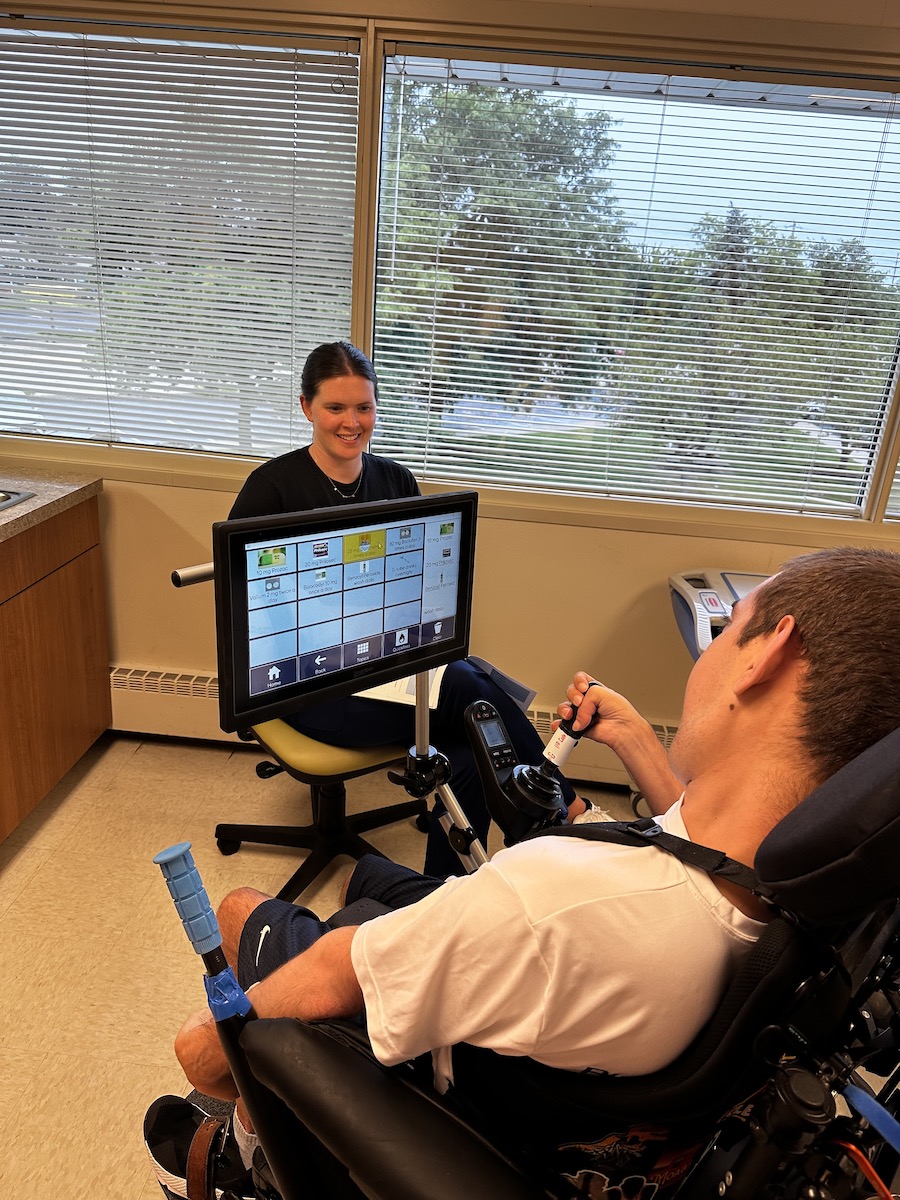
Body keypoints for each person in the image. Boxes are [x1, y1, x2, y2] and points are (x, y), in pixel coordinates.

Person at [175, 547, 900, 1182]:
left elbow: (342, 969)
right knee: (367, 881)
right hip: (579, 1035)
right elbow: (707, 851)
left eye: (729, 626)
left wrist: (210, 1060)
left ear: (767, 655)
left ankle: (244, 1146)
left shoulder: (554, 900)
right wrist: (636, 741)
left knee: (242, 908)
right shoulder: (814, 878)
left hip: (472, 1073)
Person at [228, 340, 577, 876]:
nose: (352, 422)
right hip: (313, 682)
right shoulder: (271, 489)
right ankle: (557, 809)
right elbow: (246, 609)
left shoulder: (395, 481)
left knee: (462, 750)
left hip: (388, 663)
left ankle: (445, 895)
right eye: (335, 408)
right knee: (467, 686)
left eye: (363, 407)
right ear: (306, 408)